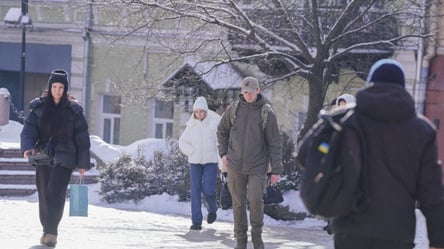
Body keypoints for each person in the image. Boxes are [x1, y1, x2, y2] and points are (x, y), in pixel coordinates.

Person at [331, 59, 444, 249]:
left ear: (369, 84)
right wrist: (438, 240)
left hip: (349, 231)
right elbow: (431, 193)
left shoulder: (347, 121)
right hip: (396, 235)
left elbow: (305, 155)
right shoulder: (422, 130)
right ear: (402, 88)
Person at [20, 69, 91, 247]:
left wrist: (83, 163)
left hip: (65, 158)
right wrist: (28, 146)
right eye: (54, 86)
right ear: (50, 87)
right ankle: (46, 228)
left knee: (55, 193)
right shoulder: (40, 107)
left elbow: (82, 138)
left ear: (65, 89)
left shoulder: (74, 111)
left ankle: (51, 232)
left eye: (61, 87)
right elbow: (29, 129)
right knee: (44, 193)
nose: (57, 90)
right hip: (43, 155)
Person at [217, 76, 283, 249]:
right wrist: (223, 153)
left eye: (251, 92)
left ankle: (257, 238)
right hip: (235, 165)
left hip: (257, 166)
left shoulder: (267, 113)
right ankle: (240, 240)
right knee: (237, 203)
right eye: (245, 92)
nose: (248, 95)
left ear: (258, 91)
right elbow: (221, 131)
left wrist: (276, 170)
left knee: (255, 201)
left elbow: (275, 142)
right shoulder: (233, 109)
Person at [179, 96, 221, 230]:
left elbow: (220, 142)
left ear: (206, 111)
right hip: (195, 163)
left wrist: (221, 160)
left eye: (201, 111)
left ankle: (213, 209)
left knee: (208, 189)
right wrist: (191, 151)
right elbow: (182, 142)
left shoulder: (214, 124)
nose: (199, 114)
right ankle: (196, 221)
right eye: (196, 112)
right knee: (195, 191)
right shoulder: (191, 125)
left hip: (211, 162)